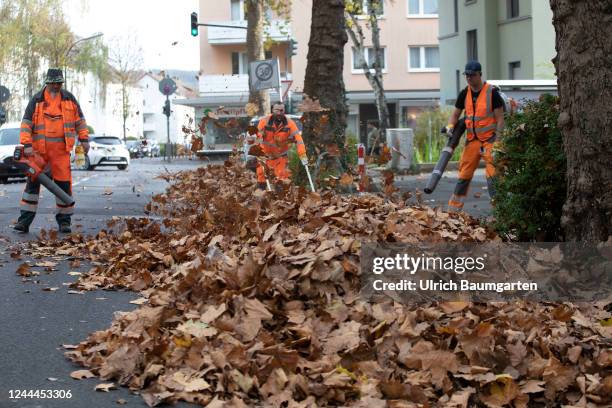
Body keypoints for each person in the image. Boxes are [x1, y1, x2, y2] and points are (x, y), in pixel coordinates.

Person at [13, 68, 89, 233]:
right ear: (47, 83)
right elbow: (26, 124)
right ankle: (24, 222)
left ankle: (64, 222)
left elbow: (80, 122)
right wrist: (26, 145)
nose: (56, 86)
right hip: (38, 154)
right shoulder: (37, 100)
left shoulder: (69, 99)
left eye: (59, 83)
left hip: (61, 153)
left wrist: (84, 139)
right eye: (53, 83)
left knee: (63, 187)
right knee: (32, 187)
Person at [446, 61, 505, 211]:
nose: (469, 78)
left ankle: (501, 211)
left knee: (493, 175)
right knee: (464, 174)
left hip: (491, 140)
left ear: (480, 74)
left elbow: (500, 119)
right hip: (473, 140)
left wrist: (498, 142)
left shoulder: (492, 93)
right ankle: (453, 211)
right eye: (467, 75)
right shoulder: (464, 93)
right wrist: (450, 127)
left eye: (472, 75)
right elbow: (455, 114)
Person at [249, 103, 307, 189]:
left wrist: (302, 155)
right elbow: (258, 137)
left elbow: (299, 140)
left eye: (281, 110)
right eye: (277, 110)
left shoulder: (290, 124)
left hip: (280, 158)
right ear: (272, 110)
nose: (279, 113)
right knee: (262, 180)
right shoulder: (264, 122)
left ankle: (281, 200)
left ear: (284, 111)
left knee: (281, 181)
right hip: (265, 157)